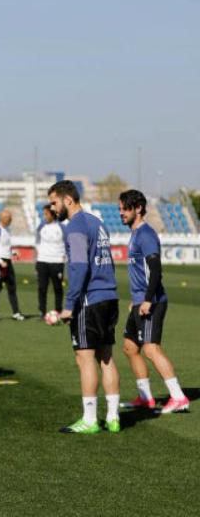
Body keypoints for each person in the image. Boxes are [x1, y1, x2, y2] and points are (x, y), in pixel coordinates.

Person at [50, 180, 121, 434]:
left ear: (68, 200)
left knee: (85, 357)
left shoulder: (76, 226)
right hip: (109, 296)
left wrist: (69, 305)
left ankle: (90, 419)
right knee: (106, 357)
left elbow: (80, 266)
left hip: (90, 300)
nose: (52, 208)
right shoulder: (97, 223)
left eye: (54, 202)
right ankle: (113, 417)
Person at [118, 189, 189, 414]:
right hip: (140, 301)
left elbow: (156, 271)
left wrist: (147, 300)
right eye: (119, 209)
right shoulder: (135, 233)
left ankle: (178, 397)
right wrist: (136, 300)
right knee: (130, 347)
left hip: (153, 301)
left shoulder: (146, 235)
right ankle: (145, 398)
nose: (121, 213)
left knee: (150, 349)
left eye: (125, 209)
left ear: (138, 208)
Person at [0, 210, 25, 321]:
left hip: (7, 262)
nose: (11, 220)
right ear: (2, 218)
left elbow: (5, 247)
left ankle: (16, 312)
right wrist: (0, 261)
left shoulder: (7, 230)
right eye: (9, 218)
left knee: (12, 287)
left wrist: (13, 252)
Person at [35, 205, 65, 317]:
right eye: (44, 214)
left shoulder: (62, 227)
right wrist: (40, 255)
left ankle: (58, 310)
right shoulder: (41, 226)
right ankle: (42, 311)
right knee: (42, 287)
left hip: (57, 261)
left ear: (53, 214)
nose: (45, 216)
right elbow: (37, 242)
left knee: (58, 287)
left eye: (46, 214)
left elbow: (68, 243)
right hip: (42, 261)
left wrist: (63, 256)